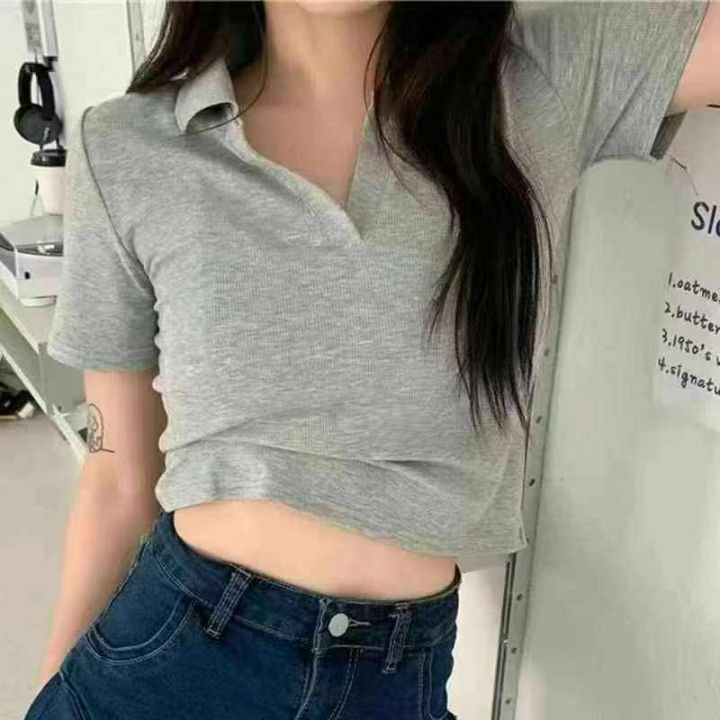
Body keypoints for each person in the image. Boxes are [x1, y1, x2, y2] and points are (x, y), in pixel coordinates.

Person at [23, 1, 716, 718]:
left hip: (399, 678)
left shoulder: (541, 82)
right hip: (174, 660)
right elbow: (116, 481)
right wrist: (53, 692)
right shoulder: (131, 145)